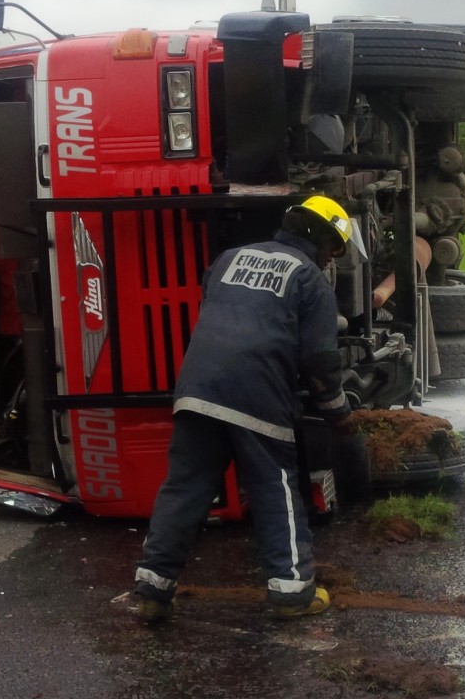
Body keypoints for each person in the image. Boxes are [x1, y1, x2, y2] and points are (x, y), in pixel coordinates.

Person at [133, 195, 361, 622]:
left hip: (196, 388)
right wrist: (338, 412)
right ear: (319, 236)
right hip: (256, 394)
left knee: (185, 487)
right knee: (275, 485)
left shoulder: (228, 258)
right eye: (334, 248)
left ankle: (153, 588)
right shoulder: (310, 280)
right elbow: (319, 362)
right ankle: (293, 591)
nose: (332, 258)